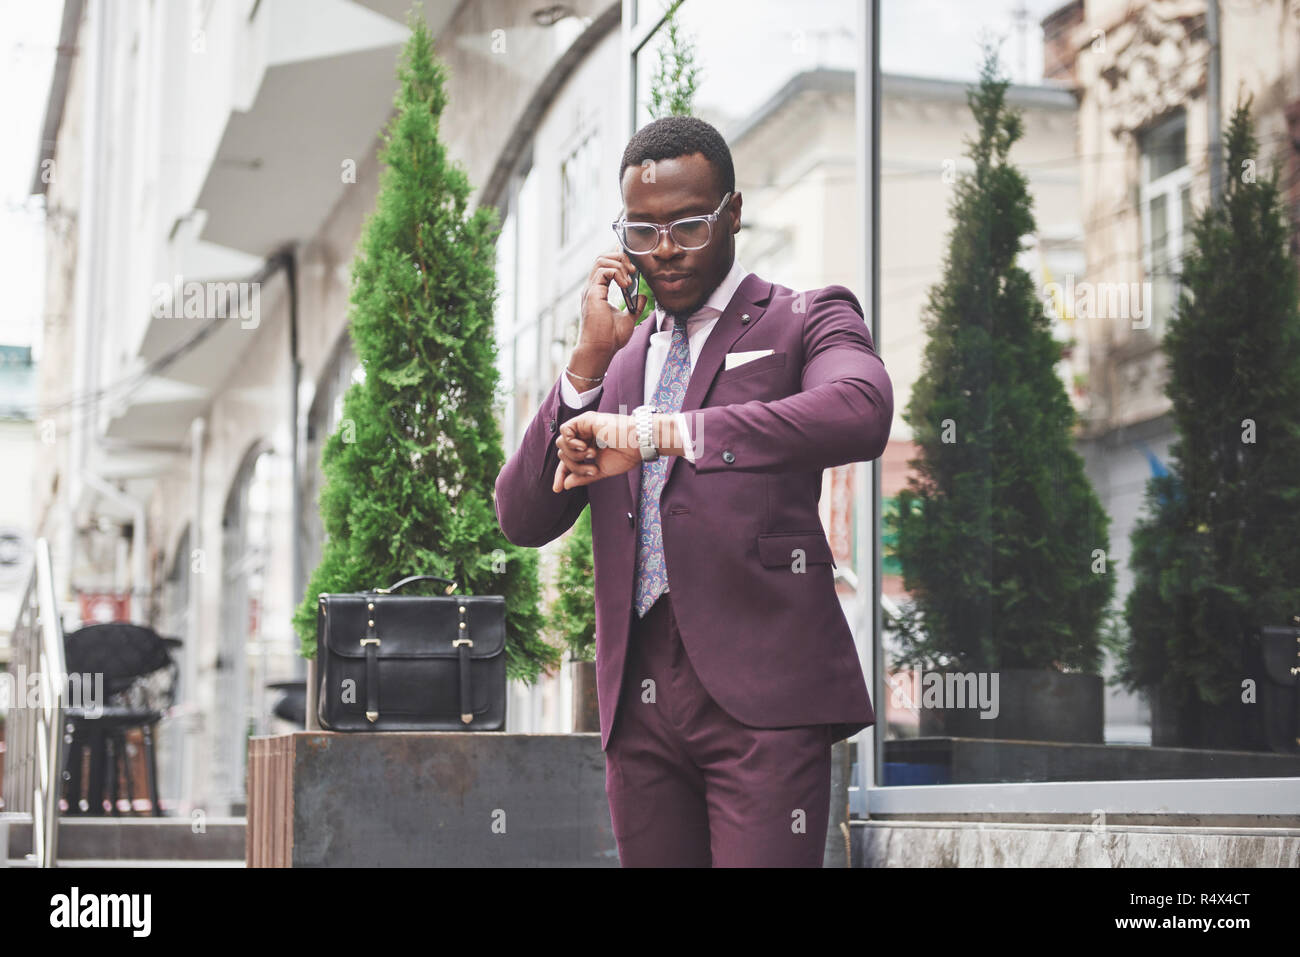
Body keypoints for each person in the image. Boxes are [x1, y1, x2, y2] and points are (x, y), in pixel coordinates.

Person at [494, 115, 893, 867]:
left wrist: (666, 433)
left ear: (734, 214)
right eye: (642, 232)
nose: (666, 248)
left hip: (763, 700)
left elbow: (861, 411)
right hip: (638, 701)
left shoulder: (804, 317)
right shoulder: (616, 363)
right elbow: (520, 515)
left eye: (689, 224)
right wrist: (582, 370)